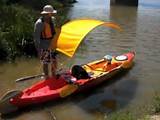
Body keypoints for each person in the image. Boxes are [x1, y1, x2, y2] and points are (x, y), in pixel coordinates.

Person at [34, 5, 57, 79]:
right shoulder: (39, 23)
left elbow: (55, 31)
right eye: (50, 13)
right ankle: (46, 76)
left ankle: (53, 75)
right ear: (45, 14)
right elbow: (36, 38)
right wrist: (38, 50)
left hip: (52, 44)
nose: (52, 15)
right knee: (45, 63)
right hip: (44, 45)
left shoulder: (53, 19)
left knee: (54, 60)